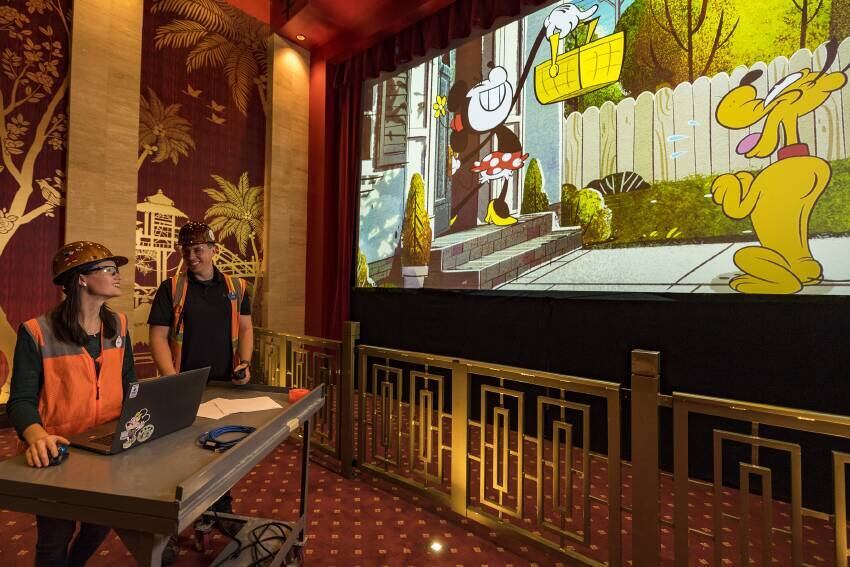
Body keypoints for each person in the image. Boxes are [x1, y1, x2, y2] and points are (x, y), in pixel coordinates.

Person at [7, 241, 135, 566]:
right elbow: (21, 400)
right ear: (81, 279)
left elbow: (130, 385)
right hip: (59, 453)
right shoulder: (37, 331)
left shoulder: (119, 325)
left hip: (107, 448)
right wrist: (36, 436)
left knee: (101, 523)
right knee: (54, 540)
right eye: (109, 270)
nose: (117, 276)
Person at [147, 221, 253, 562]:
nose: (191, 257)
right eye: (186, 251)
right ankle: (170, 528)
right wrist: (171, 379)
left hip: (223, 384)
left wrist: (245, 362)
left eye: (198, 250)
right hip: (184, 384)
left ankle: (222, 509)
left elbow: (246, 328)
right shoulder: (172, 288)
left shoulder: (237, 287)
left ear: (213, 250)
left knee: (222, 449)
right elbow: (158, 336)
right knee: (177, 457)